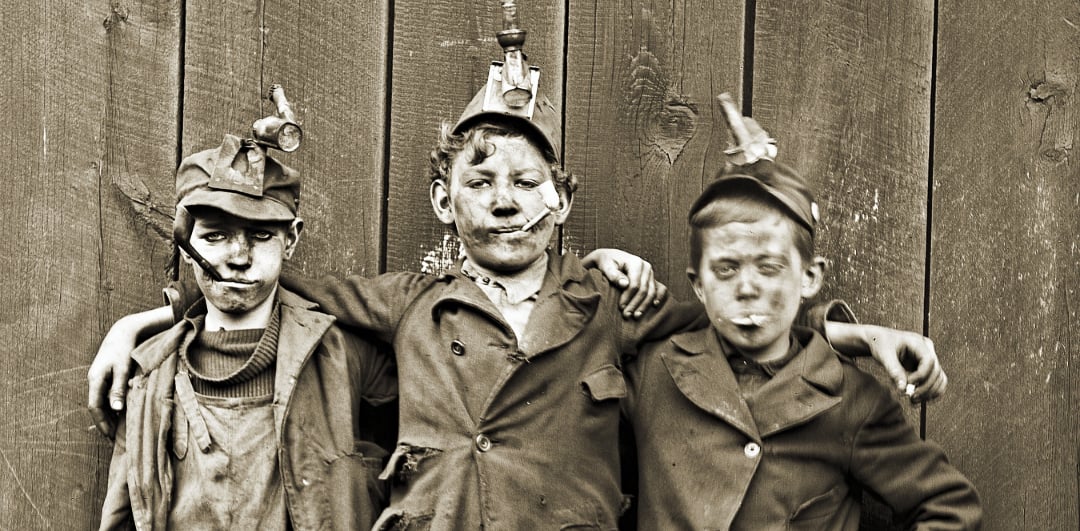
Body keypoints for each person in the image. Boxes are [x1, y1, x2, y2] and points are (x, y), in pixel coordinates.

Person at [88, 17, 946, 530]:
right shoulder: (411, 298)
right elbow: (260, 283)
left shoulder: (608, 300)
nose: (505, 201)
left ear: (563, 201)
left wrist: (859, 334)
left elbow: (733, 322)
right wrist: (150, 321)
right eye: (481, 182)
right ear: (443, 200)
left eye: (528, 183)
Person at [623, 103, 981, 529]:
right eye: (726, 269)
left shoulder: (851, 398)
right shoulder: (654, 374)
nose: (747, 287)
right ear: (698, 284)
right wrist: (600, 265)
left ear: (810, 277)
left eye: (769, 267)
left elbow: (950, 507)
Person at [98, 134, 397, 530]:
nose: (239, 257)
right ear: (184, 242)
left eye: (260, 235)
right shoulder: (150, 378)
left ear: (291, 239)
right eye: (215, 236)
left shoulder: (343, 357)